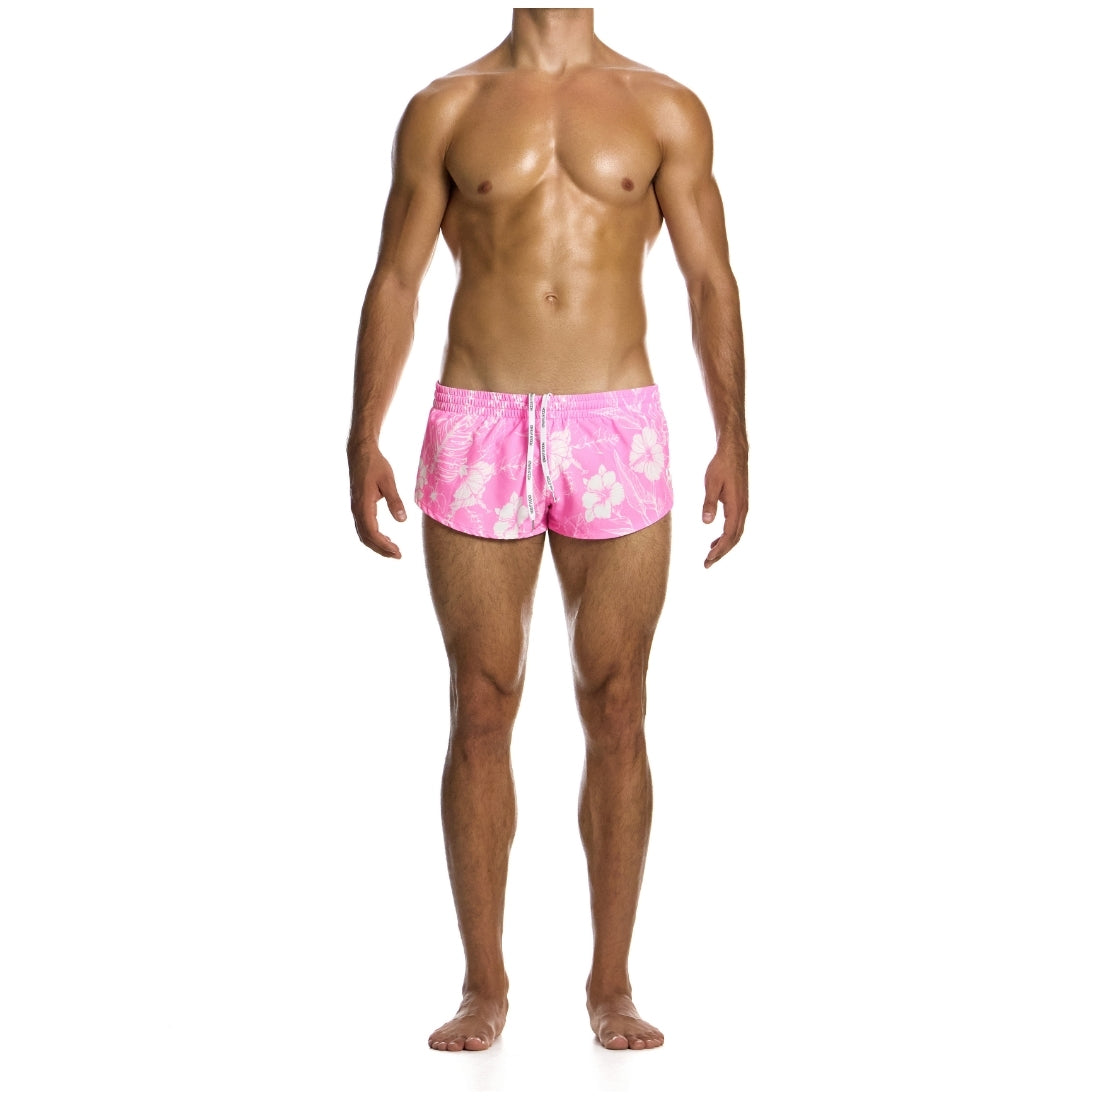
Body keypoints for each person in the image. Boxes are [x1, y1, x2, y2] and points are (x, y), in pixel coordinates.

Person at [346, 8, 748, 1052]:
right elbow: (397, 278)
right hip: (477, 420)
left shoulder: (663, 106)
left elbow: (709, 278)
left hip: (615, 423)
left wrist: (733, 436)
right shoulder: (445, 107)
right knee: (480, 701)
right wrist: (362, 433)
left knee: (617, 702)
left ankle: (611, 983)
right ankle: (483, 984)